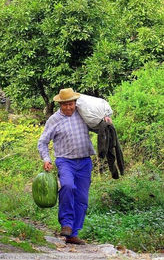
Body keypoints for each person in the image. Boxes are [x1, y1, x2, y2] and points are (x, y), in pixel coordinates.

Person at [38, 88, 112, 245]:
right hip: (65, 161)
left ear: (75, 103)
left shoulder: (83, 114)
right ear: (60, 104)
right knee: (67, 186)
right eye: (64, 105)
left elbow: (98, 128)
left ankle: (74, 233)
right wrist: (46, 158)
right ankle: (66, 224)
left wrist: (106, 122)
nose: (68, 108)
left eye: (70, 104)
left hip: (85, 162)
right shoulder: (54, 120)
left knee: (82, 198)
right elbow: (42, 142)